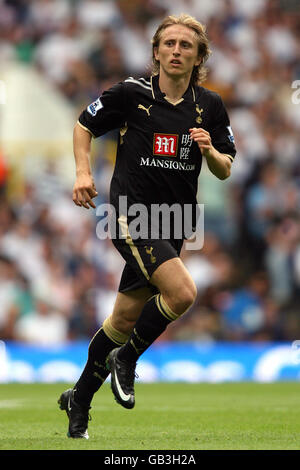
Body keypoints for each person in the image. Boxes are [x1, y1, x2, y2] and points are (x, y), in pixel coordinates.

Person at [58, 13, 236, 439]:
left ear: (198, 57)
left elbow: (226, 168)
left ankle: (79, 400)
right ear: (156, 52)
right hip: (129, 215)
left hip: (173, 223)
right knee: (183, 293)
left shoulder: (209, 106)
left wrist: (210, 151)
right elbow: (84, 124)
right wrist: (83, 173)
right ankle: (128, 360)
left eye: (186, 46)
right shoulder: (131, 93)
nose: (177, 51)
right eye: (169, 44)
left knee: (122, 319)